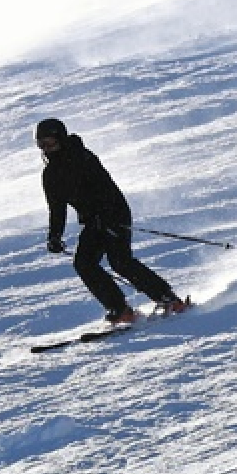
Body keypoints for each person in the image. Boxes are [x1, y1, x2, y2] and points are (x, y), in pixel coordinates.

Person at [35, 118, 189, 326]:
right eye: (42, 145)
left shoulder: (83, 157)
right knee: (84, 264)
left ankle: (169, 299)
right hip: (93, 222)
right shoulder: (50, 174)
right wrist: (55, 236)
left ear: (61, 138)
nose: (47, 149)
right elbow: (57, 208)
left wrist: (107, 216)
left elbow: (106, 188)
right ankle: (120, 309)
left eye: (50, 143)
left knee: (120, 262)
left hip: (114, 214)